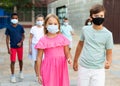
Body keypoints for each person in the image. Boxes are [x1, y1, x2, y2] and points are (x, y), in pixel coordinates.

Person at [73, 4, 113, 86]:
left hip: (99, 69)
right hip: (84, 67)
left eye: (101, 15)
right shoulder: (85, 29)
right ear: (91, 17)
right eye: (96, 15)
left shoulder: (108, 34)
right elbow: (80, 45)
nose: (99, 17)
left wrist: (109, 61)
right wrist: (75, 60)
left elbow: (109, 51)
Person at [35, 14, 72, 86]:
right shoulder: (43, 40)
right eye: (50, 23)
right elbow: (39, 58)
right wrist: (39, 74)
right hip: (48, 68)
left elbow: (67, 52)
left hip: (61, 67)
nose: (53, 25)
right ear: (45, 25)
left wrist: (69, 58)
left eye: (55, 24)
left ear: (58, 25)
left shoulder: (63, 38)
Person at [5, 13, 25, 83]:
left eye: (16, 18)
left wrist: (21, 42)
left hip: (20, 47)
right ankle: (13, 76)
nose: (15, 19)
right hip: (12, 47)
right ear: (11, 19)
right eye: (13, 18)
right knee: (13, 61)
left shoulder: (20, 27)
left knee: (20, 60)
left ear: (18, 19)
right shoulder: (9, 27)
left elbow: (23, 36)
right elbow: (7, 39)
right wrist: (8, 49)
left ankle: (21, 71)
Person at [29, 14, 44, 80]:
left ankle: (42, 74)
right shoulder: (33, 28)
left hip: (42, 47)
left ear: (43, 21)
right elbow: (30, 38)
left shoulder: (44, 28)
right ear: (36, 21)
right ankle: (37, 75)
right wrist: (30, 48)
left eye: (41, 20)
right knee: (36, 61)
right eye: (38, 20)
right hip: (34, 46)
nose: (39, 21)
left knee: (42, 61)